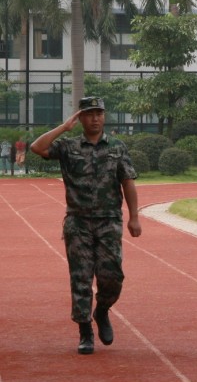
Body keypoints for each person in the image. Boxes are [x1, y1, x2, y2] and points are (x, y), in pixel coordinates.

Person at [30, 97, 141, 355]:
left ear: (104, 116)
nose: (95, 118)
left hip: (109, 221)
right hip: (78, 222)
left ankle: (101, 311)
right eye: (89, 114)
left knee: (112, 278)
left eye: (99, 113)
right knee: (80, 278)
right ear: (80, 118)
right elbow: (37, 147)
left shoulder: (117, 147)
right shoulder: (68, 147)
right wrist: (62, 128)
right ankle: (85, 331)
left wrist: (134, 216)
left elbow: (128, 182)